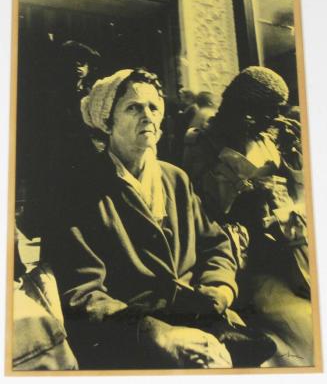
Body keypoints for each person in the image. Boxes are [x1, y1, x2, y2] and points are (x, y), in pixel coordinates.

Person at [41, 68, 275, 370]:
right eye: (133, 107)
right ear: (106, 121)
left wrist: (219, 288)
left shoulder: (175, 179)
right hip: (134, 340)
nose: (147, 115)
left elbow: (215, 245)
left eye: (153, 107)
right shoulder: (78, 191)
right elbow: (81, 295)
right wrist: (157, 334)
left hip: (205, 319)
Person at [183, 66, 313, 366]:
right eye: (270, 110)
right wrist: (242, 164)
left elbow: (299, 196)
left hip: (288, 251)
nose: (275, 118)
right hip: (244, 263)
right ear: (247, 109)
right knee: (305, 325)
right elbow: (204, 206)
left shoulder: (271, 139)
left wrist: (295, 158)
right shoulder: (202, 140)